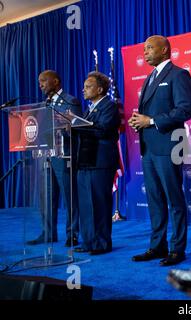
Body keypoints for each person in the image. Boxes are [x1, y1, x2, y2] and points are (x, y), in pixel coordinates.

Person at [128, 35, 191, 266]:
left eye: (149, 48)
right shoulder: (149, 78)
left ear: (164, 50)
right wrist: (138, 121)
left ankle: (177, 249)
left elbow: (185, 110)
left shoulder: (179, 75)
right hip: (149, 148)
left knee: (174, 199)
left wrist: (151, 121)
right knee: (155, 199)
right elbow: (147, 113)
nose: (144, 52)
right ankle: (157, 246)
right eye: (143, 48)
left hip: (169, 145)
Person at [27, 70, 81, 247]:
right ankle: (48, 233)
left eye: (43, 81)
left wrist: (65, 125)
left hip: (63, 155)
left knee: (69, 196)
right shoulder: (45, 103)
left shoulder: (70, 101)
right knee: (47, 198)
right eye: (39, 81)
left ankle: (72, 234)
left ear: (56, 81)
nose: (40, 84)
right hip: (45, 157)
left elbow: (75, 128)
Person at [73, 71, 120, 255]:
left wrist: (76, 124)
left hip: (100, 161)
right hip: (85, 161)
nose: (83, 90)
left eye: (88, 86)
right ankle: (89, 242)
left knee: (99, 204)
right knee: (85, 204)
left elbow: (102, 130)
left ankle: (101, 243)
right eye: (84, 86)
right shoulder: (90, 108)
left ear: (100, 89)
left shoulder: (109, 106)